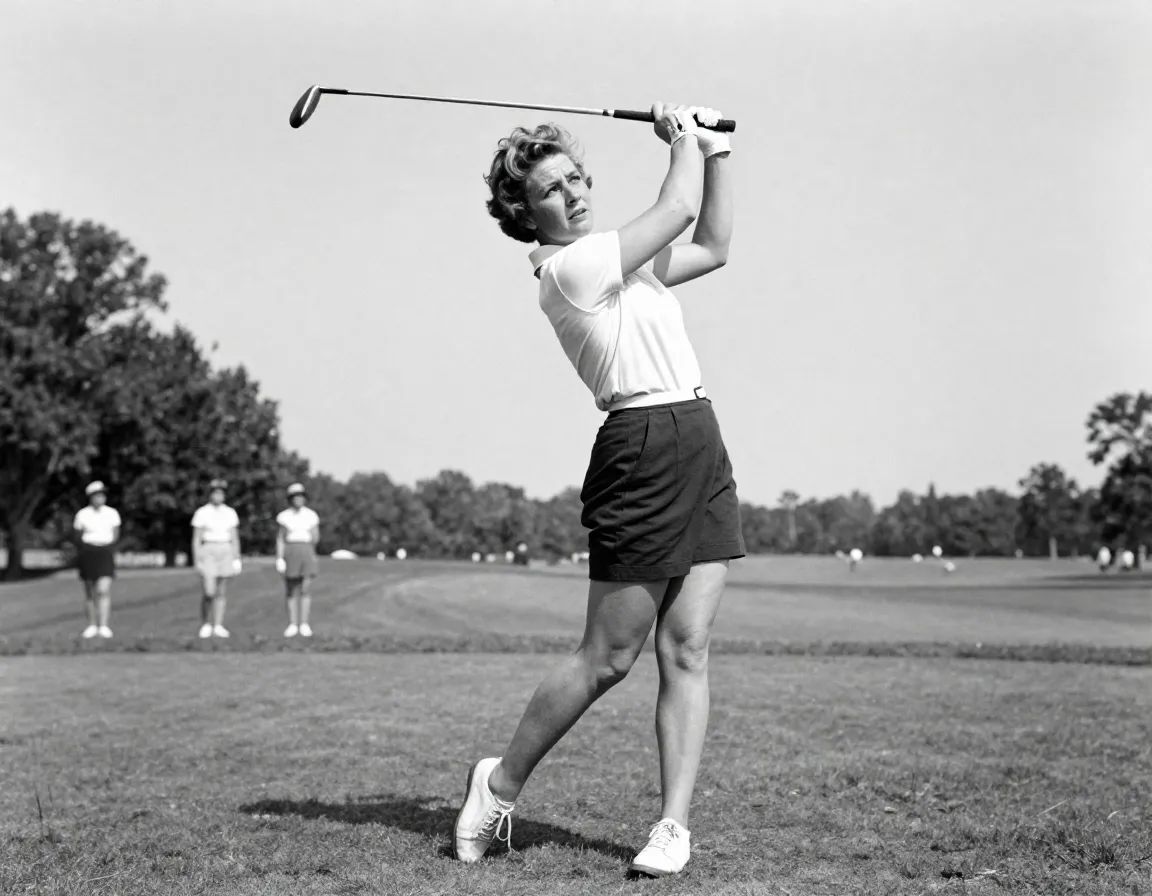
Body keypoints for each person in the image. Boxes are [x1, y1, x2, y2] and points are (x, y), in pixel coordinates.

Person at [454, 103, 742, 878]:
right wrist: (682, 134)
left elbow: (711, 245)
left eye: (577, 177)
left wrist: (713, 153)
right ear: (525, 213)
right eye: (552, 188)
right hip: (641, 448)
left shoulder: (622, 260)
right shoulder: (570, 270)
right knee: (609, 658)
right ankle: (499, 783)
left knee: (688, 648)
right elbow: (675, 209)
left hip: (698, 434)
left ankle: (672, 827)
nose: (574, 193)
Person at [190, 479, 241, 639]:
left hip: (225, 548)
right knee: (209, 590)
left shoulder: (230, 513)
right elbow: (196, 538)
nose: (218, 495)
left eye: (220, 493)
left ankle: (218, 625)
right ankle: (205, 623)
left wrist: (236, 558)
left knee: (221, 591)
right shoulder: (202, 512)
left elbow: (234, 537)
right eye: (215, 492)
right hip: (208, 549)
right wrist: (197, 559)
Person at [73, 481, 121, 639]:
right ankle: (92, 625)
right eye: (97, 495)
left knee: (103, 589)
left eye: (102, 495)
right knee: (89, 590)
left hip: (105, 550)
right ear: (91, 497)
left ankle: (104, 625)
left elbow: (115, 533)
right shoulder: (82, 514)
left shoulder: (112, 513)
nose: (101, 498)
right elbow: (77, 536)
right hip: (88, 551)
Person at [275, 482, 320, 637]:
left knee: (305, 587)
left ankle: (304, 623)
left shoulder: (311, 515)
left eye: (300, 496)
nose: (298, 499)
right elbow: (281, 538)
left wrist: (310, 553)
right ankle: (293, 623)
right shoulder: (284, 516)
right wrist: (280, 558)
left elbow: (315, 537)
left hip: (306, 548)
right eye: (295, 497)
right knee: (292, 588)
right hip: (290, 549)